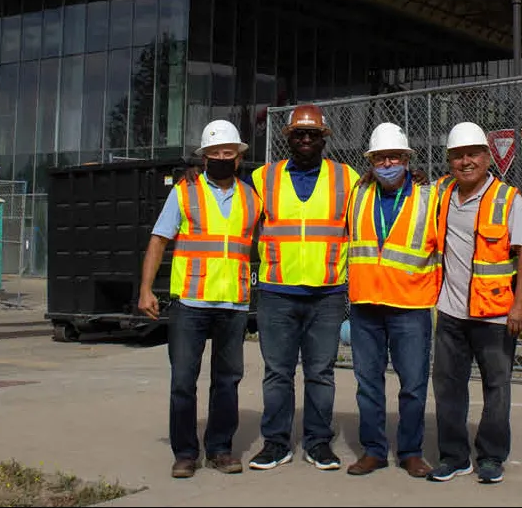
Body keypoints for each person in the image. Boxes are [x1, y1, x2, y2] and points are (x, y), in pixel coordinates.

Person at [137, 120, 262, 479]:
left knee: (228, 380)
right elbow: (159, 240)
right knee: (182, 381)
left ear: (238, 158)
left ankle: (220, 449)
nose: (222, 158)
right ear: (204, 157)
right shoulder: (184, 192)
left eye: (228, 153)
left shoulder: (252, 198)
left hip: (233, 303)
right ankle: (186, 453)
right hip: (191, 302)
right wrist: (146, 289)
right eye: (215, 153)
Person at [247, 104, 359, 472]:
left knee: (321, 373)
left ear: (324, 138)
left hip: (326, 294)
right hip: (277, 292)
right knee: (277, 372)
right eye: (299, 133)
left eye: (313, 134)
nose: (306, 138)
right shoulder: (264, 178)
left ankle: (318, 443)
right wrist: (194, 175)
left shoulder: (348, 178)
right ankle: (276, 443)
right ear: (289, 139)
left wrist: (414, 180)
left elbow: (380, 195)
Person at [427, 121, 522, 486]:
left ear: (487, 157)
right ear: (449, 161)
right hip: (451, 312)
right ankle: (454, 457)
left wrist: (519, 305)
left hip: (494, 314)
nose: (465, 162)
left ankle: (490, 457)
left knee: (497, 387)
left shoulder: (508, 199)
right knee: (447, 387)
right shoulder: (442, 192)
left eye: (472, 154)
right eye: (457, 156)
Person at [344, 123, 442, 478]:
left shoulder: (429, 197)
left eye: (394, 157)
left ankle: (411, 452)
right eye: (380, 158)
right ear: (370, 162)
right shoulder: (356, 194)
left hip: (411, 306)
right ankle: (373, 451)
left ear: (406, 159)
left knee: (413, 384)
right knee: (368, 383)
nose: (388, 164)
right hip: (366, 303)